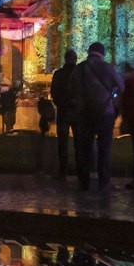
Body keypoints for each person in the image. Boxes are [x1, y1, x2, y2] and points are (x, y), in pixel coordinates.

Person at [73, 42, 122, 189]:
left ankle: (84, 180)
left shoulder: (79, 68)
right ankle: (104, 180)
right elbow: (121, 87)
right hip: (105, 112)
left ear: (89, 52)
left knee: (85, 147)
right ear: (102, 54)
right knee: (104, 148)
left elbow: (71, 89)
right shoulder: (108, 68)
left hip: (85, 112)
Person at [49, 49, 80, 181]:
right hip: (77, 111)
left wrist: (61, 103)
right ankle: (80, 170)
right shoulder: (79, 73)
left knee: (63, 142)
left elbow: (54, 92)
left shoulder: (59, 74)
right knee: (79, 143)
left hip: (63, 110)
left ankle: (63, 171)